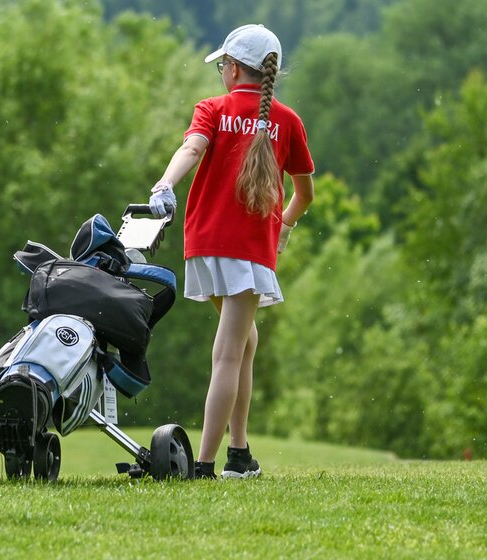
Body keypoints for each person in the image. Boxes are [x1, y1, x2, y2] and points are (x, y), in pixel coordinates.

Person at [148, 24, 314, 479]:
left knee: (243, 343)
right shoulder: (288, 120)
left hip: (203, 245)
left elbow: (192, 148)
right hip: (248, 253)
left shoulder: (213, 109)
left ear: (234, 68)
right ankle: (207, 465)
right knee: (228, 353)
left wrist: (165, 184)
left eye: (223, 64)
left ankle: (239, 452)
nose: (222, 71)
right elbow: (304, 194)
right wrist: (282, 229)